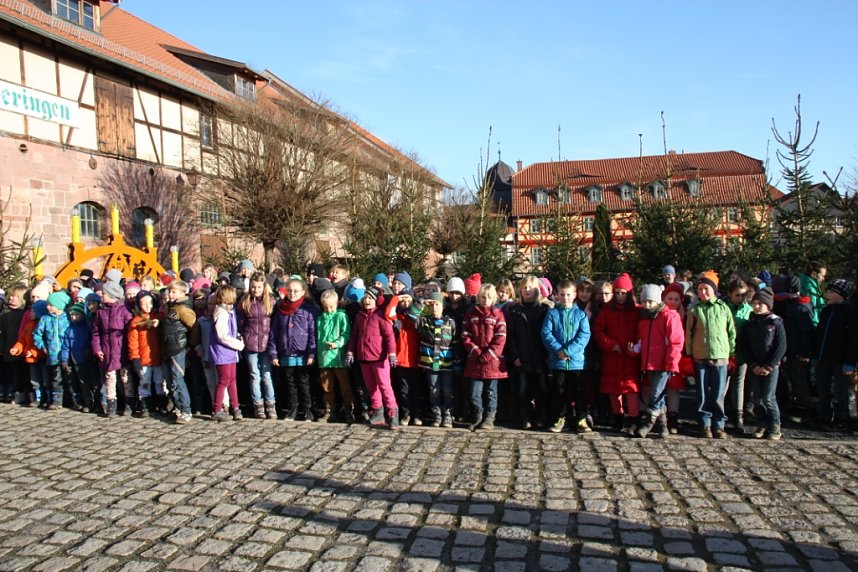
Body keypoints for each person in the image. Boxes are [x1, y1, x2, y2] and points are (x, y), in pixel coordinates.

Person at [686, 271, 736, 439]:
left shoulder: (723, 308)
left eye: (706, 289)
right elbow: (689, 334)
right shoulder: (695, 310)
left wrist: (732, 352)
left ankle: (719, 424)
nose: (703, 292)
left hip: (721, 356)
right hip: (700, 356)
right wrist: (690, 353)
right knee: (702, 393)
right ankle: (705, 423)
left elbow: (731, 332)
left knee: (718, 393)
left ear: (714, 289)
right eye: (700, 289)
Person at [593, 273, 641, 433]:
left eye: (623, 292)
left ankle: (633, 419)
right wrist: (611, 345)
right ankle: (617, 418)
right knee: (614, 390)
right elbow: (598, 330)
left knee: (631, 390)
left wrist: (635, 347)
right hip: (612, 355)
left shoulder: (636, 310)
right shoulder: (607, 310)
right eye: (617, 292)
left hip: (630, 356)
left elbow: (642, 330)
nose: (620, 296)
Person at [541, 280, 591, 433]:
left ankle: (581, 418)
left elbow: (584, 335)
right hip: (558, 361)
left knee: (579, 391)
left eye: (568, 294)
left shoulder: (580, 315)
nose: (565, 298)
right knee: (558, 391)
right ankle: (560, 418)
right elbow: (546, 333)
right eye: (562, 294)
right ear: (556, 295)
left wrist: (568, 351)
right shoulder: (552, 313)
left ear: (574, 295)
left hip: (576, 362)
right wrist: (559, 351)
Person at [634, 284, 684, 438]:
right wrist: (636, 349)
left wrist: (672, 363)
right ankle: (663, 425)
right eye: (644, 301)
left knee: (655, 394)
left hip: (664, 363)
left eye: (650, 302)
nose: (647, 305)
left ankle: (648, 423)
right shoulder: (644, 319)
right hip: (650, 363)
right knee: (658, 394)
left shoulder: (669, 316)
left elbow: (676, 342)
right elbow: (642, 340)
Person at [347, 288, 399, 429]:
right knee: (371, 387)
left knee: (384, 386)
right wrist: (351, 351)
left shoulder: (381, 316)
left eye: (370, 297)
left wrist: (392, 353)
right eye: (365, 298)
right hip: (364, 357)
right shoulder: (359, 316)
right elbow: (354, 336)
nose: (367, 300)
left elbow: (389, 336)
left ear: (376, 300)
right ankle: (377, 411)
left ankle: (392, 412)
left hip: (380, 357)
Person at [741, 287, 787, 440]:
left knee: (768, 397)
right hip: (755, 365)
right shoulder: (750, 323)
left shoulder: (775, 322)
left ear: (768, 305)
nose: (757, 306)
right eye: (754, 303)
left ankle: (775, 424)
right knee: (757, 398)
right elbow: (744, 346)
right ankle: (762, 423)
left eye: (760, 303)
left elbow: (780, 346)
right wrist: (753, 365)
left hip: (770, 366)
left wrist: (769, 365)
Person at [269, 279, 317, 421]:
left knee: (304, 382)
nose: (292, 293)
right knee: (290, 383)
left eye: (296, 291)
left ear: (303, 292)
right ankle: (293, 409)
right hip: (286, 352)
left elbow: (312, 332)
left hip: (303, 353)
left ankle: (308, 410)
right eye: (290, 290)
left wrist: (311, 353)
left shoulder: (308, 309)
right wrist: (274, 353)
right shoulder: (281, 309)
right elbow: (274, 332)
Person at [462, 283, 508, 431]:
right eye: (483, 297)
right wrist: (475, 352)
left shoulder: (498, 314)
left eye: (489, 297)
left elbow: (501, 337)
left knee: (491, 392)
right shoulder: (471, 314)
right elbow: (465, 335)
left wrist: (489, 354)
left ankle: (490, 417)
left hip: (493, 362)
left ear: (494, 298)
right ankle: (478, 416)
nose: (486, 300)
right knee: (475, 393)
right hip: (475, 361)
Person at [506, 276, 550, 429]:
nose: (527, 290)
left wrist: (547, 355)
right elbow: (510, 335)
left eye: (530, 287)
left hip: (539, 357)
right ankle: (524, 418)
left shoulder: (544, 309)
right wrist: (515, 355)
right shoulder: (514, 310)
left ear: (537, 289)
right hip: (522, 356)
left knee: (542, 389)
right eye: (524, 287)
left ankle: (541, 417)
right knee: (522, 389)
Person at [813, 279, 857, 432]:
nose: (827, 295)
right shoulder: (826, 311)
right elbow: (820, 333)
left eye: (831, 292)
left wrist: (850, 361)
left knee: (840, 390)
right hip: (823, 356)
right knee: (822, 388)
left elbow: (853, 338)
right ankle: (824, 416)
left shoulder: (850, 312)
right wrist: (815, 353)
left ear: (841, 295)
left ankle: (841, 418)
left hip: (841, 359)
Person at [237, 272, 277, 419]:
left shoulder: (271, 301)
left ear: (264, 287)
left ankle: (270, 404)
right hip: (251, 343)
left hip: (267, 344)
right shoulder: (245, 301)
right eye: (253, 287)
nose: (256, 290)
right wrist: (244, 336)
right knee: (254, 375)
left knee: (267, 376)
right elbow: (241, 322)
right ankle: (258, 405)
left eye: (259, 287)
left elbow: (274, 322)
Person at [91, 281, 134, 418]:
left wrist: (129, 349)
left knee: (125, 378)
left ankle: (129, 403)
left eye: (104, 294)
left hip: (121, 351)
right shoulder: (101, 312)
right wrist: (97, 349)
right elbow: (96, 333)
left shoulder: (124, 311)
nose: (102, 296)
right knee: (109, 378)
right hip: (107, 351)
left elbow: (130, 332)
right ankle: (111, 404)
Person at [161, 280, 200, 424]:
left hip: (178, 348)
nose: (171, 294)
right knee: (170, 381)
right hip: (167, 348)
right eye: (170, 291)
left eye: (174, 292)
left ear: (183, 293)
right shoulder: (170, 308)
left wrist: (190, 344)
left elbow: (195, 327)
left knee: (178, 380)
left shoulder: (183, 309)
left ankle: (185, 410)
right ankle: (177, 408)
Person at [416, 292, 457, 428]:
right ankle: (437, 415)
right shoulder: (424, 321)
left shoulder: (450, 322)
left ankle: (448, 415)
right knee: (434, 390)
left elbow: (456, 343)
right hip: (430, 363)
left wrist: (458, 362)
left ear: (443, 306)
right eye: (432, 305)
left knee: (447, 390)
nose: (434, 308)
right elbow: (412, 316)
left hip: (446, 363)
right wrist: (423, 303)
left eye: (437, 304)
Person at [316, 289, 355, 424]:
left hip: (338, 357)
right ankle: (330, 411)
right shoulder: (320, 319)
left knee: (345, 386)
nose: (329, 310)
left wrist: (337, 344)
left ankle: (349, 410)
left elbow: (346, 334)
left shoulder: (341, 317)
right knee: (327, 387)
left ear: (337, 304)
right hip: (324, 358)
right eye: (326, 307)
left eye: (331, 307)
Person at [779, 275, 815, 421]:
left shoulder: (799, 308)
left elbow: (806, 332)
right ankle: (797, 405)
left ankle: (803, 409)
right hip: (792, 349)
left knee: (799, 379)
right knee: (794, 378)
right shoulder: (794, 305)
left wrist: (804, 352)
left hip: (797, 351)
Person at [209, 285, 245, 422]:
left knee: (232, 380)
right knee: (224, 380)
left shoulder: (229, 311)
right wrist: (238, 344)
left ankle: (236, 407)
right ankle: (217, 409)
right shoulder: (221, 312)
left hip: (230, 352)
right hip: (222, 352)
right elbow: (222, 335)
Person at [127, 291, 164, 417]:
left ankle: (162, 405)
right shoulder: (136, 322)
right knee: (144, 383)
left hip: (158, 357)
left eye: (150, 303)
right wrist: (135, 358)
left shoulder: (158, 318)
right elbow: (133, 342)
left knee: (160, 382)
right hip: (144, 358)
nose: (148, 306)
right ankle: (145, 406)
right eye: (144, 304)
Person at [33, 291, 73, 410]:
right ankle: (56, 400)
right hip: (53, 354)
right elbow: (37, 334)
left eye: (51, 305)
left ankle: (72, 400)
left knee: (69, 377)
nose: (48, 307)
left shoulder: (67, 318)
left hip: (67, 354)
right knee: (55, 378)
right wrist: (42, 346)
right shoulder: (45, 319)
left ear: (59, 305)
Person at [391, 289, 422, 426]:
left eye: (408, 299)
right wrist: (396, 299)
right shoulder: (397, 317)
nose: (405, 302)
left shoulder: (417, 318)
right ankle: (406, 414)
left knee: (416, 388)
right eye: (403, 300)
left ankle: (417, 414)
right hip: (401, 359)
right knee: (404, 390)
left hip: (415, 358)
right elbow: (388, 313)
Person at [726, 278, 752, 433]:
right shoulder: (725, 308)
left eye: (743, 295)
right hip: (726, 351)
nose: (740, 299)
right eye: (737, 295)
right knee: (724, 383)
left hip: (742, 352)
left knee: (739, 384)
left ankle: (738, 416)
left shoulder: (748, 310)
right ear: (730, 295)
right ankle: (719, 414)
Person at [61, 301, 95, 412]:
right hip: (74, 360)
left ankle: (92, 402)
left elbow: (91, 340)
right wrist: (64, 359)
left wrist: (90, 351)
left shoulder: (87, 328)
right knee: (77, 382)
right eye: (71, 315)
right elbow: (66, 346)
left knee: (88, 382)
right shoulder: (69, 329)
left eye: (76, 314)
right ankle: (81, 402)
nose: (73, 317)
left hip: (86, 359)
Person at [0, 285, 27, 404]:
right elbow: (2, 333)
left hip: (23, 348)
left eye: (15, 296)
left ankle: (23, 393)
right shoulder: (5, 314)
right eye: (10, 296)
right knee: (12, 372)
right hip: (9, 348)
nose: (11, 298)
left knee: (23, 373)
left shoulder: (25, 314)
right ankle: (13, 392)